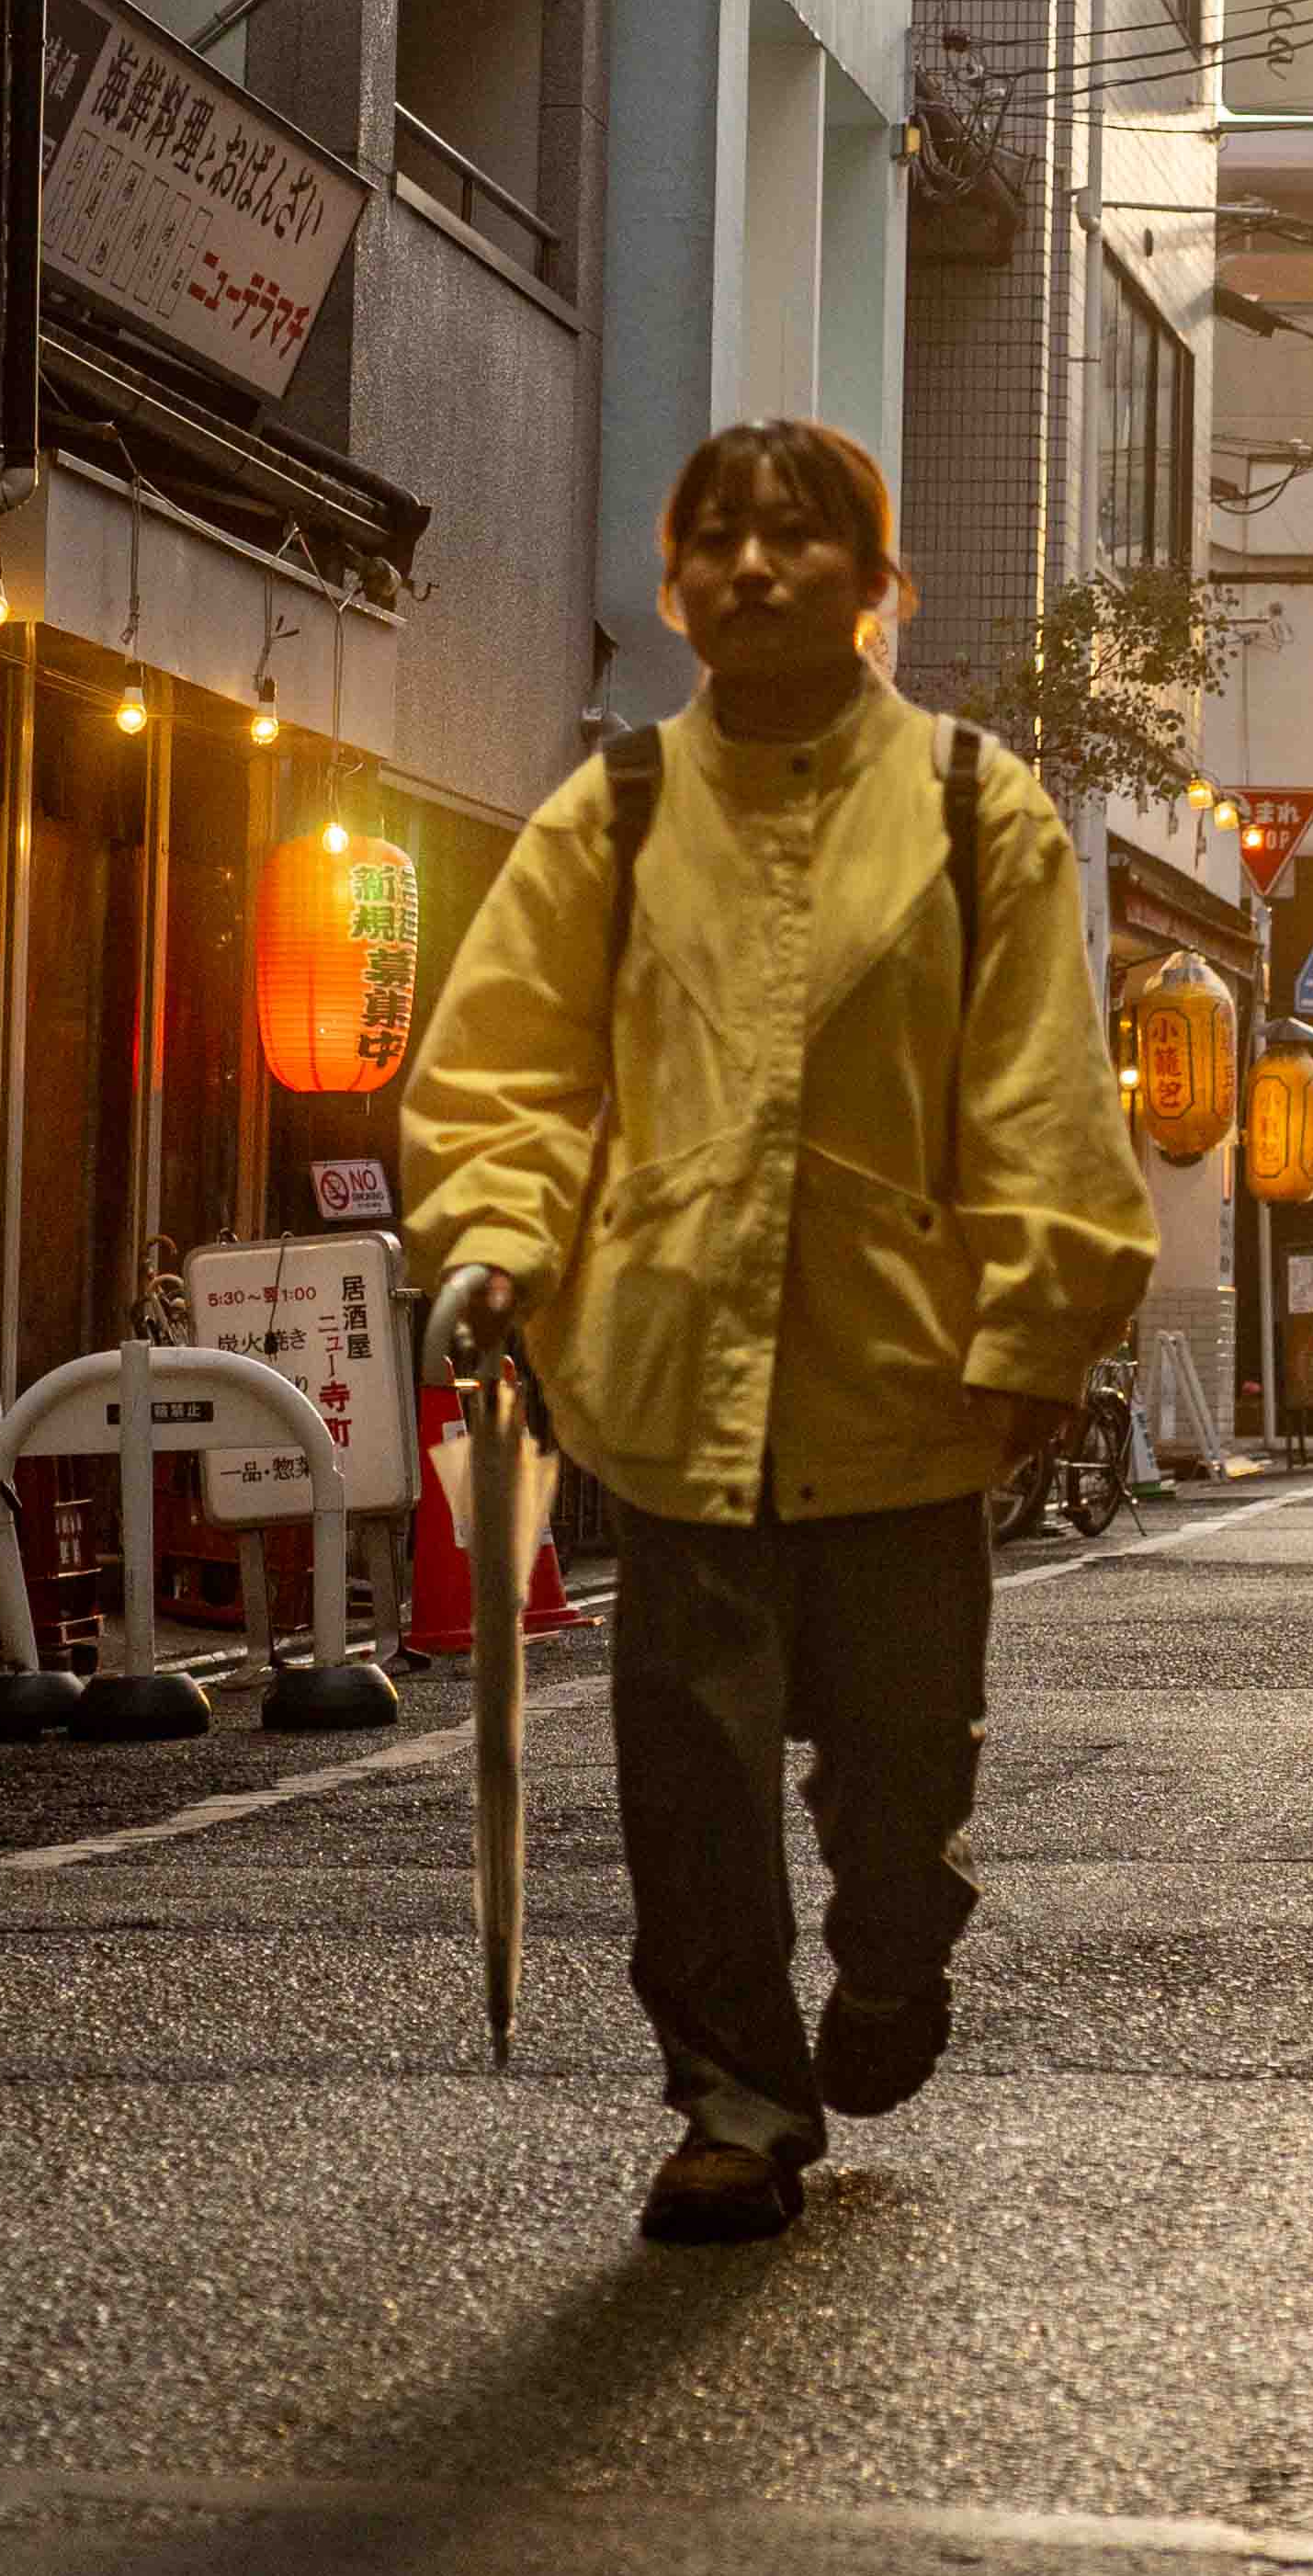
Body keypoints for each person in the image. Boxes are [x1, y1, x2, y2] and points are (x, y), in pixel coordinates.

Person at [408, 417, 1149, 2249]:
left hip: (905, 1379)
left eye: (800, 537)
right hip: (672, 1383)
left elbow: (1041, 1092)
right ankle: (732, 2102)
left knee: (900, 1764)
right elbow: (506, 1066)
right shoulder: (621, 810)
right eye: (717, 540)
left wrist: (1038, 1317)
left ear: (874, 582)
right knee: (692, 1779)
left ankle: (898, 1948)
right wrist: (500, 1241)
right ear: (676, 586)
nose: (753, 567)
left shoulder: (980, 808)